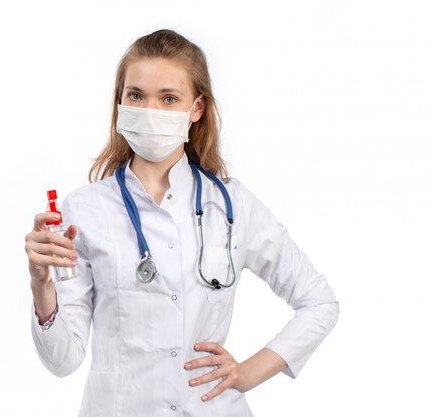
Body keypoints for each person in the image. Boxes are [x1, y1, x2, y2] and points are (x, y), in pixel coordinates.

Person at [24, 28, 339, 417]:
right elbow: (62, 360)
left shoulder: (231, 205)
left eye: (169, 98)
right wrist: (42, 285)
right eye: (136, 95)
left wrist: (248, 373)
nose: (150, 111)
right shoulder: (85, 210)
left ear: (197, 108)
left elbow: (319, 303)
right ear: (119, 101)